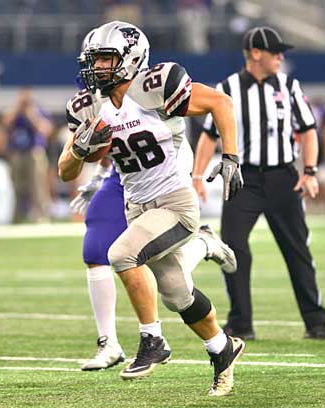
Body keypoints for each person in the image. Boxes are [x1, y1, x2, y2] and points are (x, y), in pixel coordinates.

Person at [58, 21, 244, 396]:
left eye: (106, 59)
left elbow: (220, 102)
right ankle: (222, 348)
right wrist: (81, 148)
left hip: (175, 201)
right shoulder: (90, 104)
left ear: (131, 58)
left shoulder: (154, 88)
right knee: (176, 293)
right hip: (137, 207)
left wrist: (231, 157)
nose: (97, 69)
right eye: (94, 61)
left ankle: (153, 340)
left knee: (121, 254)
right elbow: (66, 170)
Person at [192, 26, 325, 341]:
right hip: (243, 178)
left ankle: (317, 323)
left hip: (282, 176)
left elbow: (309, 129)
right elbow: (209, 135)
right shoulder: (227, 88)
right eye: (275, 52)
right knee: (233, 249)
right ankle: (241, 323)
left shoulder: (289, 85)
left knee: (297, 249)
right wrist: (197, 175)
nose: (281, 57)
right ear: (256, 53)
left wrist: (310, 171)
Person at [3, 88, 54, 223]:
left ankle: (41, 216)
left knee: (38, 185)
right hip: (17, 152)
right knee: (17, 186)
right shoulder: (15, 112)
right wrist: (17, 109)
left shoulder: (37, 110)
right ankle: (17, 217)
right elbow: (6, 123)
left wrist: (31, 114)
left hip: (34, 151)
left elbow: (46, 130)